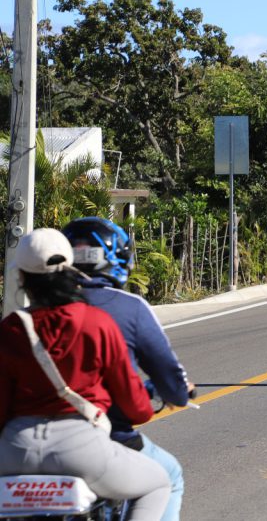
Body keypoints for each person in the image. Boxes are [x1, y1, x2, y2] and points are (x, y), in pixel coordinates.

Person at [0, 228, 171, 521]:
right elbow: (137, 408)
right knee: (158, 482)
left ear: (22, 278)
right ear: (70, 269)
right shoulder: (97, 322)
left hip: (15, 450)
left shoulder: (11, 329)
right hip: (82, 449)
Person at [62, 217, 192, 521]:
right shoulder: (127, 308)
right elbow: (161, 384)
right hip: (104, 439)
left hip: (20, 441)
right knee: (169, 476)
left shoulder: (27, 314)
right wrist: (177, 393)